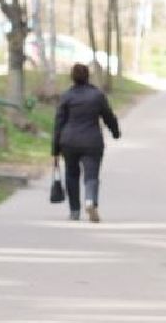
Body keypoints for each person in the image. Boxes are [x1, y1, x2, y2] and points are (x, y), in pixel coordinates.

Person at [51, 63, 121, 222]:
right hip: (92, 141)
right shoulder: (97, 95)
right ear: (88, 76)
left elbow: (58, 123)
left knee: (71, 174)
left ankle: (74, 211)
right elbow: (108, 116)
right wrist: (115, 132)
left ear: (72, 77)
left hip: (69, 142)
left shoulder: (66, 96)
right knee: (92, 174)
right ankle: (90, 200)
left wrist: (55, 149)